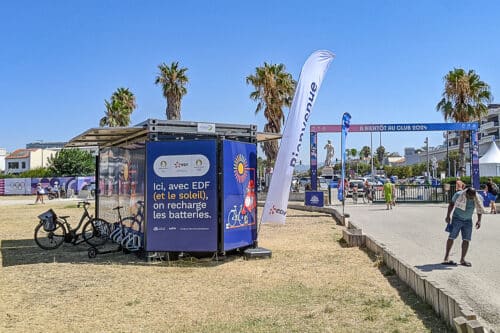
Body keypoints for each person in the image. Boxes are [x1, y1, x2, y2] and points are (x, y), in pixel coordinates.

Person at [442, 187, 485, 267]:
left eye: (472, 197)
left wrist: (479, 220)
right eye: (470, 197)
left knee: (466, 239)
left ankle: (462, 259)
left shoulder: (477, 197)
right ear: (466, 194)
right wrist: (448, 216)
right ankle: (446, 257)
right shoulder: (458, 195)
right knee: (452, 237)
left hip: (468, 220)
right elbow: (451, 204)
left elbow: (479, 209)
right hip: (457, 218)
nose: (471, 198)